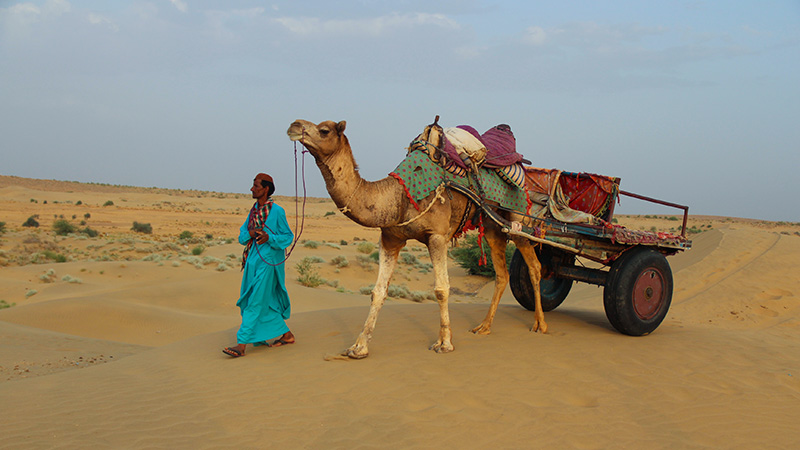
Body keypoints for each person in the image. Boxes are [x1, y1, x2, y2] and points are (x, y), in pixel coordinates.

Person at [223, 173, 295, 357]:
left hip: (268, 262)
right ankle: (287, 335)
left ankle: (241, 345)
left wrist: (269, 237)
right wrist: (252, 233)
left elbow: (288, 236)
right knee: (262, 301)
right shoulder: (254, 211)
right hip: (252, 262)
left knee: (255, 301)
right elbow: (242, 236)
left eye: (256, 186)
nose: (252, 189)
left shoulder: (277, 211)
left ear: (266, 189)